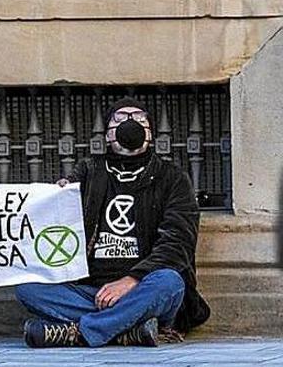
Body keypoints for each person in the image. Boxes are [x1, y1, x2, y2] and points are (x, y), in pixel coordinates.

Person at [14, 98, 210, 347]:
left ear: (150, 131)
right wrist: (59, 198)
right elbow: (56, 223)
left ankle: (80, 333)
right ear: (107, 134)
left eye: (138, 117)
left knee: (169, 283)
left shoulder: (172, 178)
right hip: (90, 291)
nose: (130, 123)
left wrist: (131, 281)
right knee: (27, 288)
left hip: (143, 287)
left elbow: (177, 244)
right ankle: (130, 329)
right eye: (120, 118)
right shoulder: (89, 171)